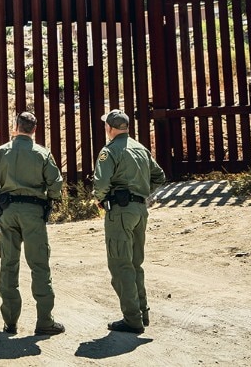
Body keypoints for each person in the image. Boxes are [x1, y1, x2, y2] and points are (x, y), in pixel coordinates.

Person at [0, 111, 65, 336]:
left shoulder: (0, 153)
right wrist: (48, 199)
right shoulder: (42, 154)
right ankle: (45, 322)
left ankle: (10, 322)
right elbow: (56, 184)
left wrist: (0, 196)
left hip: (8, 211)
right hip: (34, 212)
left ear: (15, 126)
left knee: (9, 264)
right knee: (39, 265)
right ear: (35, 130)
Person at [93, 109, 167, 334]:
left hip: (120, 212)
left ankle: (132, 319)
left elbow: (101, 183)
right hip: (140, 210)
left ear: (111, 128)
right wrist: (142, 194)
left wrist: (101, 199)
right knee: (135, 264)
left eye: (106, 125)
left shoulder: (109, 151)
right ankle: (142, 313)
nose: (105, 128)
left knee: (120, 264)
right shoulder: (140, 148)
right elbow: (160, 176)